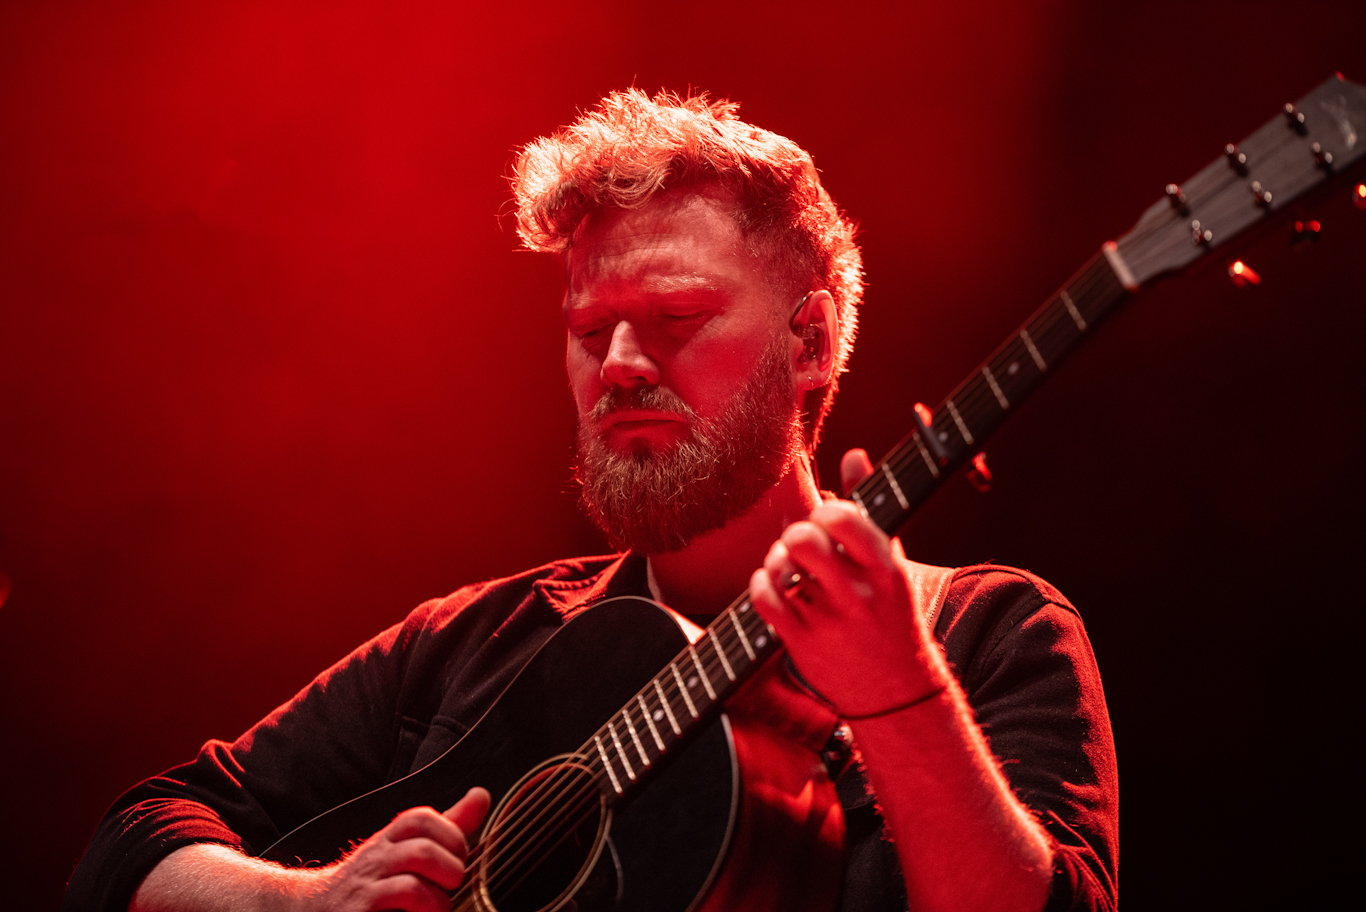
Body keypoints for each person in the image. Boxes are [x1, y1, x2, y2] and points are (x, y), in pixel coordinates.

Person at [66, 89, 1117, 912]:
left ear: (807, 339)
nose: (616, 365)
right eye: (586, 329)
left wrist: (902, 696)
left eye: (673, 317)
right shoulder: (468, 646)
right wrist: (301, 900)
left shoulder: (983, 631)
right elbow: (132, 843)